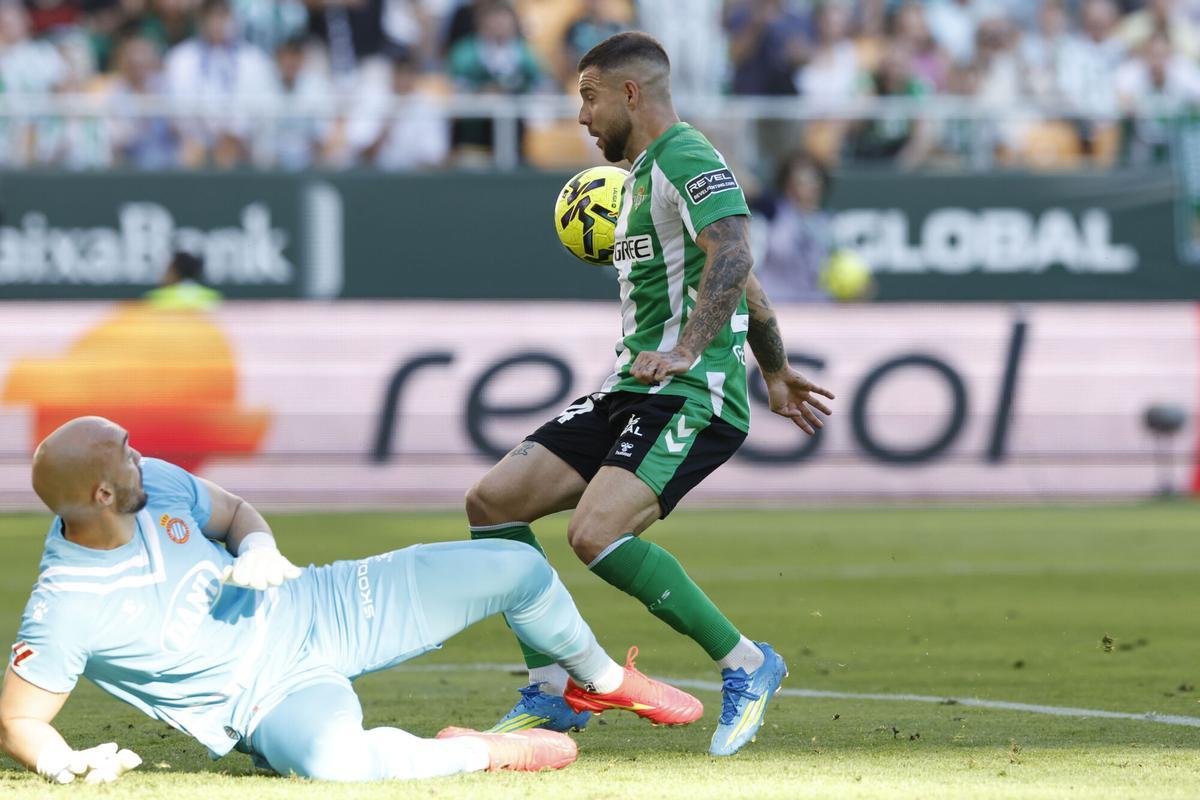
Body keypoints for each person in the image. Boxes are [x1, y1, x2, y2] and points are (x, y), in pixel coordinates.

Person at [465, 31, 834, 757]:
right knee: (492, 503)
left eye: (589, 98)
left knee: (594, 533)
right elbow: (747, 285)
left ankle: (748, 663)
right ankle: (552, 690)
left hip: (692, 392)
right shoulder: (638, 177)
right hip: (632, 387)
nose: (581, 116)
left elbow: (735, 253)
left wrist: (691, 350)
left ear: (630, 93)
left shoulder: (688, 155)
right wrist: (776, 367)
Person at [0, 417, 703, 784]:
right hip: (265, 699)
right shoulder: (65, 604)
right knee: (337, 764)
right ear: (101, 494)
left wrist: (258, 549)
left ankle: (602, 681)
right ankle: (485, 752)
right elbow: (17, 720)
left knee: (516, 567)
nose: (139, 456)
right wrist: (62, 763)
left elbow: (235, 512)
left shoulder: (152, 480)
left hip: (321, 603)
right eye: (124, 454)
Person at [144, 251, 223, 311]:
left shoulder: (156, 299)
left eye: (167, 269)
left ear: (174, 271)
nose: (164, 274)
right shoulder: (213, 298)